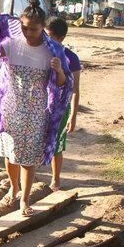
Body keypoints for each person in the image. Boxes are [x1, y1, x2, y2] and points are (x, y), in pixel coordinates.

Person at [0, 0, 71, 217]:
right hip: (10, 106)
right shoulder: (10, 44)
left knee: (28, 159)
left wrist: (58, 71)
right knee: (10, 154)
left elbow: (63, 84)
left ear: (43, 28)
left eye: (34, 29)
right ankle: (13, 187)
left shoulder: (53, 51)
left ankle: (25, 199)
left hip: (37, 111)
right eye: (24, 28)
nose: (28, 33)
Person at [46, 17, 82, 191]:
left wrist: (73, 116)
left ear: (60, 38)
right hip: (40, 105)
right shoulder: (42, 52)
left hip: (60, 108)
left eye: (49, 36)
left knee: (56, 144)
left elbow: (75, 89)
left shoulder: (70, 58)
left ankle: (56, 179)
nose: (45, 39)